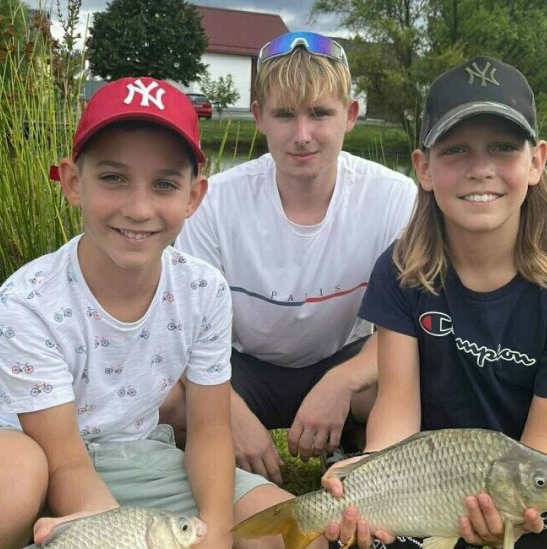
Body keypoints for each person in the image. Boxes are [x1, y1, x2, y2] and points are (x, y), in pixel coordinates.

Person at [0, 77, 331, 549]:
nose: (139, 209)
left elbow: (209, 430)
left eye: (164, 184)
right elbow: (66, 461)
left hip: (136, 455)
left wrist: (214, 534)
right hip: (32, 451)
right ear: (73, 182)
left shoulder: (204, 290)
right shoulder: (26, 303)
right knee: (3, 481)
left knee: (298, 542)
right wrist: (116, 541)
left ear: (194, 196)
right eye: (113, 178)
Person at [323, 56, 547, 549]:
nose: (480, 168)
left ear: (536, 161)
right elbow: (398, 408)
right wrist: (370, 472)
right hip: (425, 480)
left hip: (540, 484)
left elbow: (546, 446)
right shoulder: (402, 269)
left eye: (502, 147)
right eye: (455, 150)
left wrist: (513, 509)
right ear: (424, 168)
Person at [168, 31, 418, 486]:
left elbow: (408, 327)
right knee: (170, 402)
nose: (302, 136)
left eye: (320, 113)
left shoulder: (395, 197)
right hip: (242, 365)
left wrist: (343, 381)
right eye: (285, 115)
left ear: (350, 115)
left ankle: (356, 450)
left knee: (408, 379)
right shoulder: (214, 201)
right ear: (259, 117)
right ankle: (205, 465)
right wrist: (228, 412)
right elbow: (181, 332)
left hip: (341, 357)